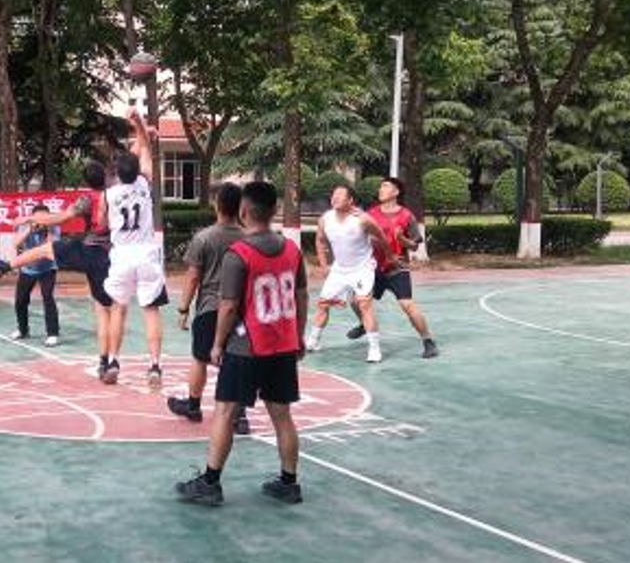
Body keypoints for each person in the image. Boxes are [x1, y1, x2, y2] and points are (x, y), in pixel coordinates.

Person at [176, 181, 308, 507]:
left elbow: (228, 305)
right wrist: (299, 335)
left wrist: (217, 344)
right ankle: (289, 483)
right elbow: (302, 296)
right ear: (275, 210)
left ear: (244, 211)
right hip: (283, 345)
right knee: (282, 415)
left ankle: (210, 482)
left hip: (246, 346)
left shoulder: (240, 254)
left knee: (224, 412)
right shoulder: (293, 250)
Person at [0, 160, 114, 378]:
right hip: (111, 256)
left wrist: (29, 217)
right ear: (107, 176)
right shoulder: (119, 193)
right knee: (106, 310)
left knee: (45, 251)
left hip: (89, 250)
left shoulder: (87, 199)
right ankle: (109, 362)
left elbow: (59, 218)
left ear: (86, 181)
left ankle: (4, 266)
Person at [168, 182, 249, 433]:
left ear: (217, 205)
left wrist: (183, 309)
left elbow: (193, 277)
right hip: (240, 311)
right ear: (241, 208)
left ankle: (193, 406)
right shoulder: (248, 238)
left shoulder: (204, 238)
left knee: (200, 359)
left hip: (209, 308)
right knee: (237, 361)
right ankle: (240, 415)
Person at [101, 110, 168, 386]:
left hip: (122, 256)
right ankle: (154, 367)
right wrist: (140, 124)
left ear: (118, 172)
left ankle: (113, 361)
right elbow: (144, 152)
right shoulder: (144, 182)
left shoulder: (109, 193)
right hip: (146, 254)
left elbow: (103, 222)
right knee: (151, 310)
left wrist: (140, 131)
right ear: (137, 169)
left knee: (118, 308)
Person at [341, 177, 439, 358]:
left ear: (396, 192)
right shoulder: (371, 214)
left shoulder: (406, 216)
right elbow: (358, 236)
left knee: (407, 305)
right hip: (373, 268)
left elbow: (415, 246)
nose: (381, 190)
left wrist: (402, 239)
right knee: (354, 300)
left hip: (397, 268)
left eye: (385, 186)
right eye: (380, 187)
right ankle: (364, 324)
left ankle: (428, 341)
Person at [305, 185, 391, 362]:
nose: (334, 198)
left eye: (340, 195)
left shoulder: (363, 219)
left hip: (362, 268)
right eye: (333, 194)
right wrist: (324, 265)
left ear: (350, 200)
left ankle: (374, 349)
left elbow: (382, 238)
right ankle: (313, 341)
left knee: (364, 305)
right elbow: (320, 241)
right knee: (323, 305)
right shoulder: (325, 219)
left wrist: (390, 258)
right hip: (339, 270)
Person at [11, 205, 61, 346]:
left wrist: (47, 229)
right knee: (20, 300)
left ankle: (52, 333)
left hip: (48, 268)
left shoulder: (54, 227)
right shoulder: (26, 226)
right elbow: (16, 244)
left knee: (48, 297)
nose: (41, 220)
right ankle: (23, 330)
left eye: (45, 217)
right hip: (28, 269)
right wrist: (30, 229)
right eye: (39, 217)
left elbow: (53, 246)